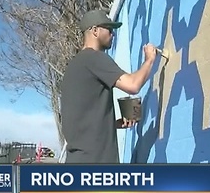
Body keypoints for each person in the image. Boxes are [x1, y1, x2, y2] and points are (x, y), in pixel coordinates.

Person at [60, 9, 157, 163]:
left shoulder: (74, 66)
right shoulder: (94, 58)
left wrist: (112, 124)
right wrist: (150, 60)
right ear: (95, 31)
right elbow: (133, 85)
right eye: (109, 30)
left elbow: (80, 119)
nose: (113, 34)